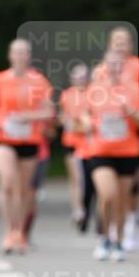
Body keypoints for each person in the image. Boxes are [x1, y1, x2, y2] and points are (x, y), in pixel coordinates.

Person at [0, 39, 53, 253]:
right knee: (7, 182)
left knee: (24, 190)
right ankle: (9, 231)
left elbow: (48, 111)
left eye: (24, 52)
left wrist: (28, 116)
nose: (20, 56)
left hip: (28, 140)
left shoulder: (39, 81)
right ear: (10, 55)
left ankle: (20, 232)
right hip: (3, 138)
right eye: (16, 52)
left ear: (29, 56)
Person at [84, 51, 139, 261]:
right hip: (100, 150)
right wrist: (86, 122)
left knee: (121, 199)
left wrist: (128, 109)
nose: (114, 68)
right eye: (110, 64)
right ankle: (104, 237)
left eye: (118, 64)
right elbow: (83, 115)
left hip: (128, 151)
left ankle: (119, 241)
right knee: (108, 195)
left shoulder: (135, 90)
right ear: (103, 66)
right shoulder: (94, 90)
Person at [59, 62, 90, 228]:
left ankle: (85, 206)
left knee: (88, 178)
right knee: (76, 178)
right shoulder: (66, 95)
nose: (80, 80)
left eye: (83, 77)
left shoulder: (93, 94)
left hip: (88, 142)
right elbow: (64, 118)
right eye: (77, 77)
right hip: (71, 141)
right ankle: (78, 209)